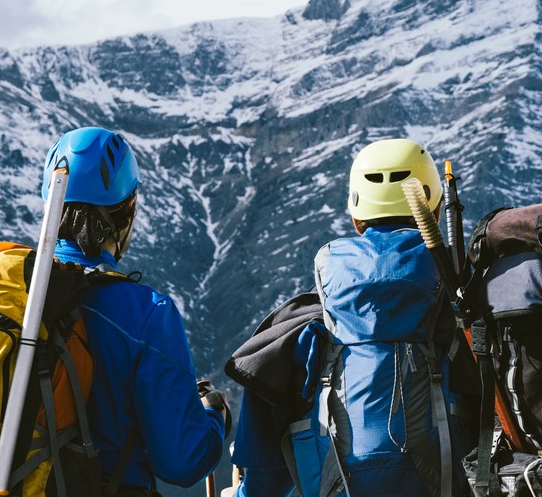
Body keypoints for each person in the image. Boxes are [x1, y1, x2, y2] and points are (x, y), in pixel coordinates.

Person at [227, 138, 473, 496]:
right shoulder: (468, 315)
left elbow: (264, 482)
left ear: (357, 217)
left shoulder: (300, 331)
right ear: (433, 211)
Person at [46, 126, 229, 495]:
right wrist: (214, 414)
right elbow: (183, 462)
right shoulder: (147, 314)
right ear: (126, 211)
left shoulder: (15, 296)